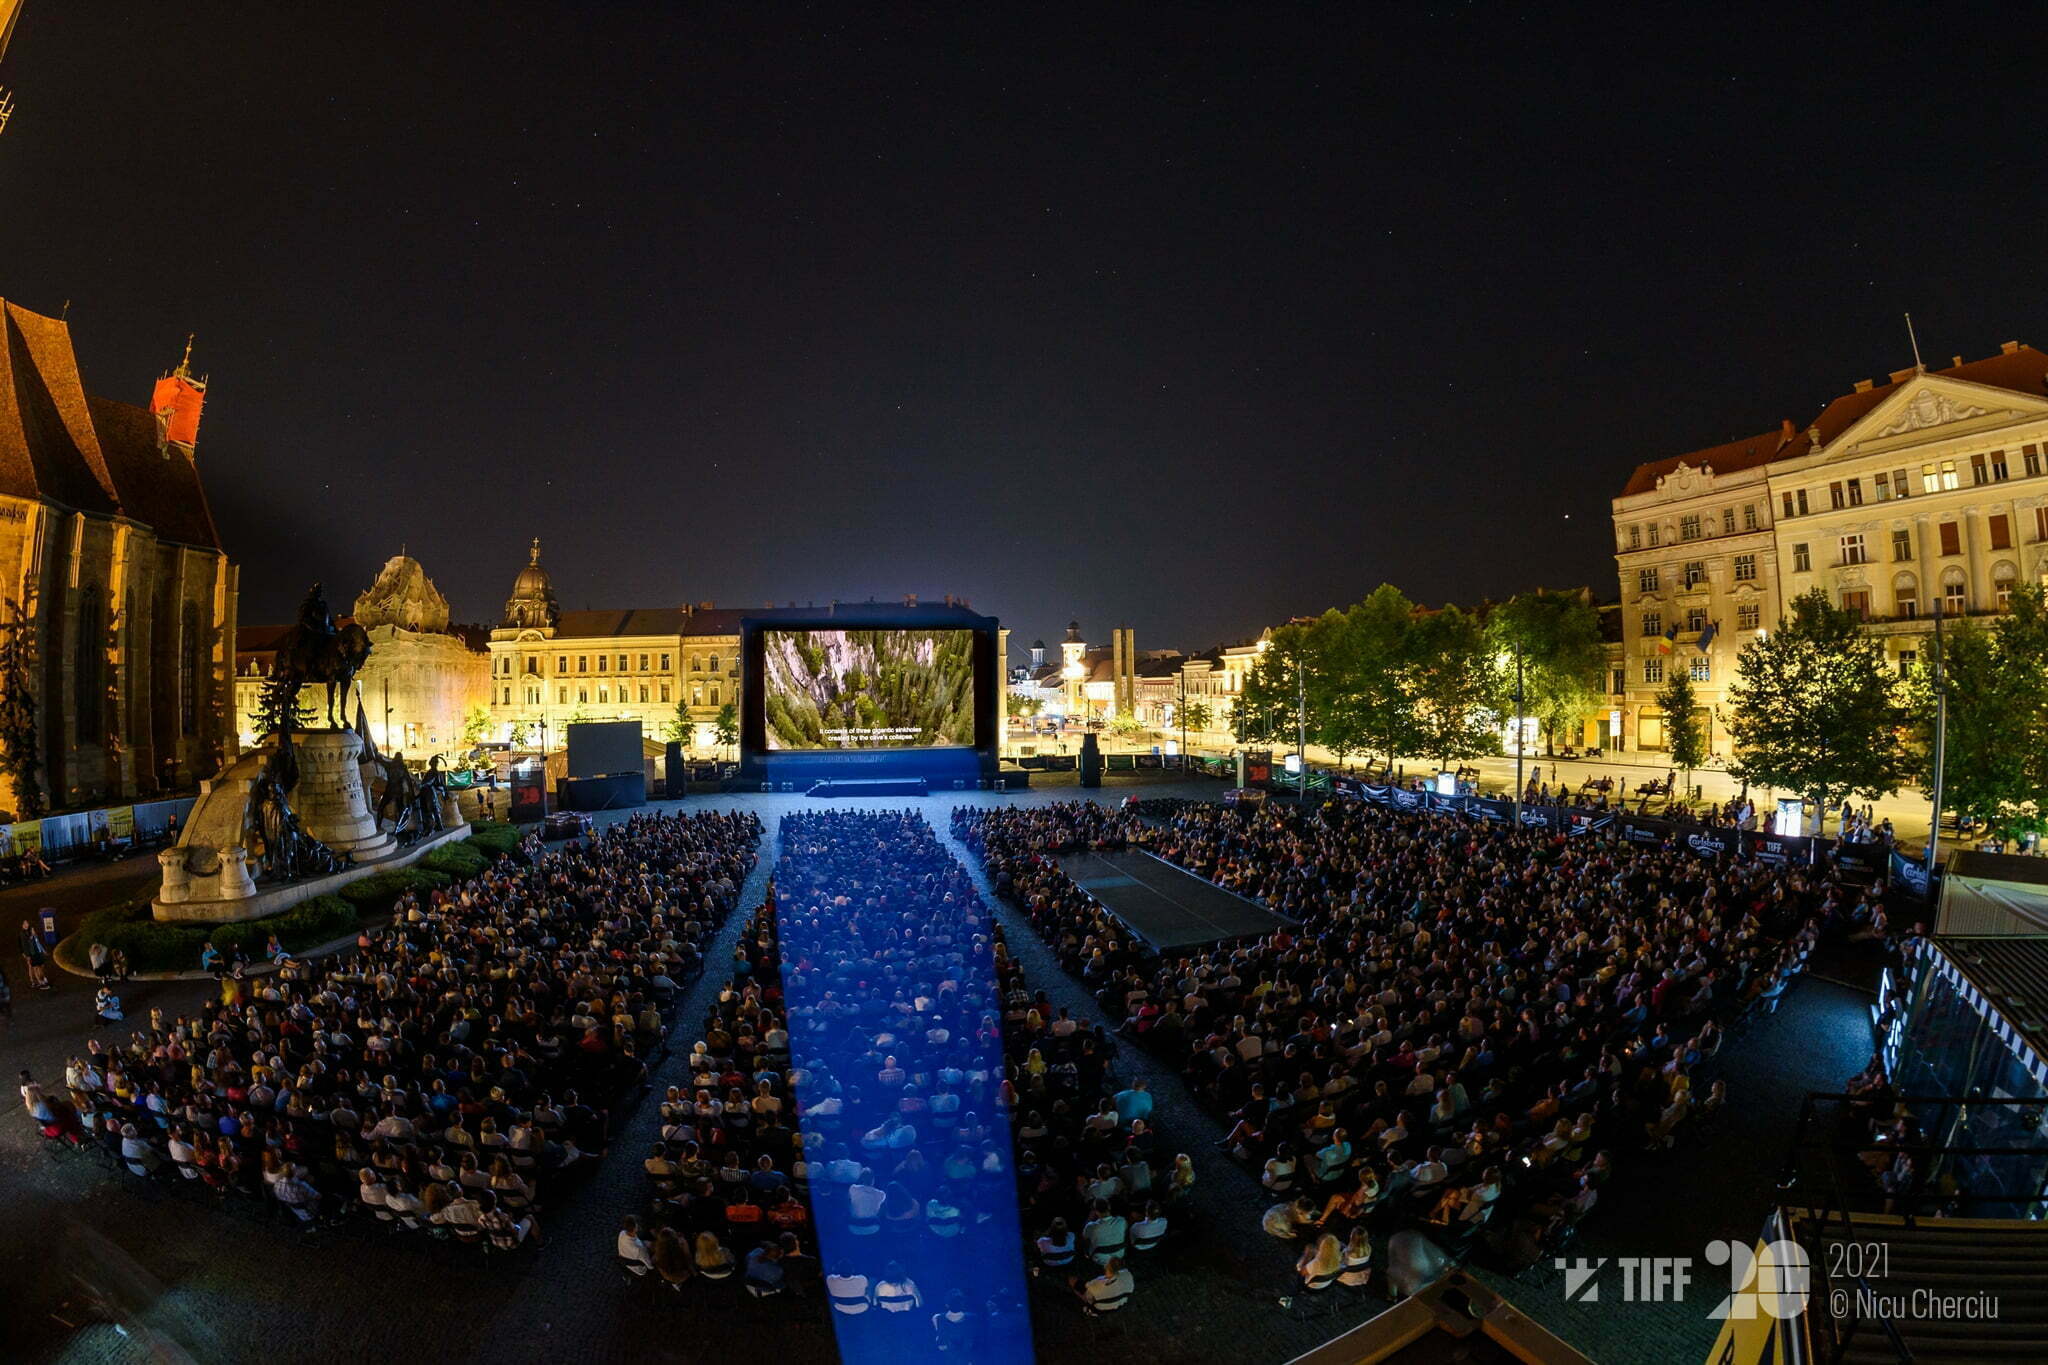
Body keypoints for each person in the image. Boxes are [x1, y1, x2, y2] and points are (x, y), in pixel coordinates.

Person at [18, 919, 50, 991]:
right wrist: (26, 954)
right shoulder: (22, 934)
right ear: (22, 925)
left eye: (27, 923)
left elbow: (38, 943)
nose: (26, 925)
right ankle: (36, 982)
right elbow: (23, 945)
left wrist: (43, 951)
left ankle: (41, 979)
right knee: (33, 967)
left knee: (40, 966)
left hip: (36, 953)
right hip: (30, 954)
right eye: (25, 924)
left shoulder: (32, 934)